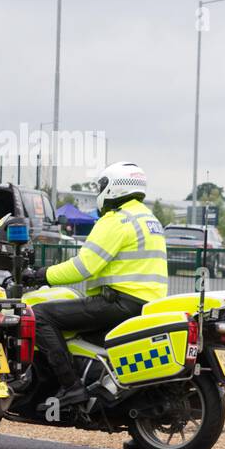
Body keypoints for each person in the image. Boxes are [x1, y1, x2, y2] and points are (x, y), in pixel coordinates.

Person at [24, 162, 168, 406]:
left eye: (102, 186)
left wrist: (42, 274)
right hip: (148, 305)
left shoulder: (116, 220)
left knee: (40, 315)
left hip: (119, 302)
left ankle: (71, 386)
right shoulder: (148, 219)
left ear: (113, 188)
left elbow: (83, 267)